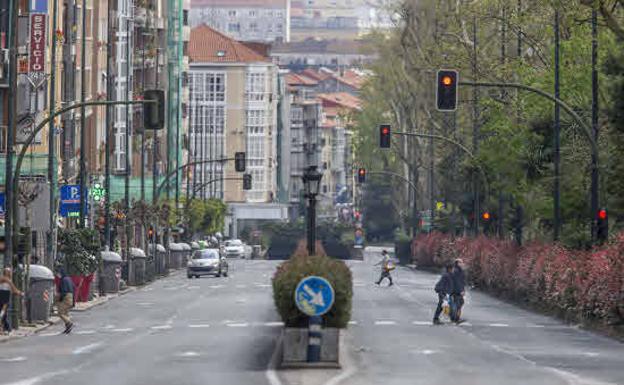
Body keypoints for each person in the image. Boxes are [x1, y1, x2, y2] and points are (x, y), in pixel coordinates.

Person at [0, 268, 23, 335]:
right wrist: (19, 292)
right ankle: (7, 328)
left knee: (4, 314)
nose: (10, 273)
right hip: (3, 296)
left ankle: (7, 329)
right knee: (3, 313)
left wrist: (18, 292)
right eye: (8, 272)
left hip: (5, 297)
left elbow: (13, 290)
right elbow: (13, 288)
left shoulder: (8, 280)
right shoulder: (4, 279)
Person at [55, 268, 75, 334]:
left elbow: (64, 291)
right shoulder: (69, 279)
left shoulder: (63, 280)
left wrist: (59, 299)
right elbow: (74, 287)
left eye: (58, 273)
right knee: (66, 313)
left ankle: (69, 323)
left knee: (60, 313)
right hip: (70, 296)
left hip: (65, 297)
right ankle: (67, 328)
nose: (58, 275)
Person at [451, 259, 466, 323]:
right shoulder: (456, 271)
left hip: (458, 290)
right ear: (457, 263)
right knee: (458, 304)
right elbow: (457, 282)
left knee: (460, 303)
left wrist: (463, 290)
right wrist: (461, 291)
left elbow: (461, 282)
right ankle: (455, 318)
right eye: (461, 262)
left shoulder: (459, 271)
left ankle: (455, 317)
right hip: (456, 291)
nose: (462, 263)